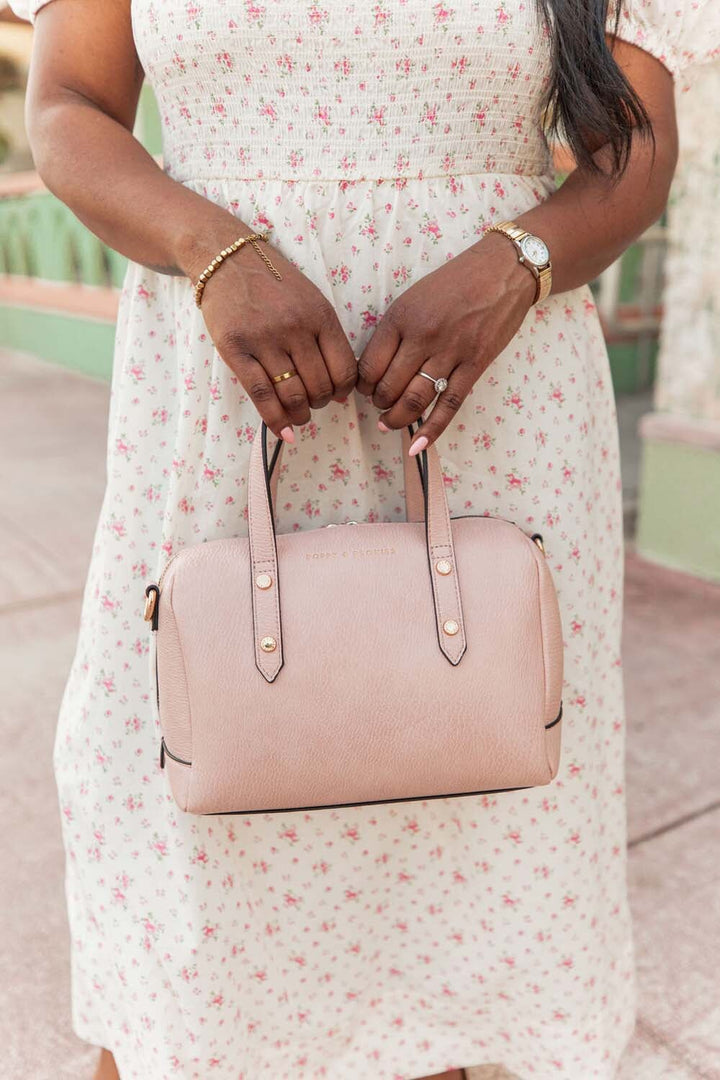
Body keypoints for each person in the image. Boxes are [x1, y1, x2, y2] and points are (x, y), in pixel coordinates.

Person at [10, 0, 720, 1077]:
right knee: (199, 777)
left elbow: (634, 150)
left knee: (469, 761)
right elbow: (67, 109)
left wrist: (511, 266)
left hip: (500, 402)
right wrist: (215, 250)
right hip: (217, 393)